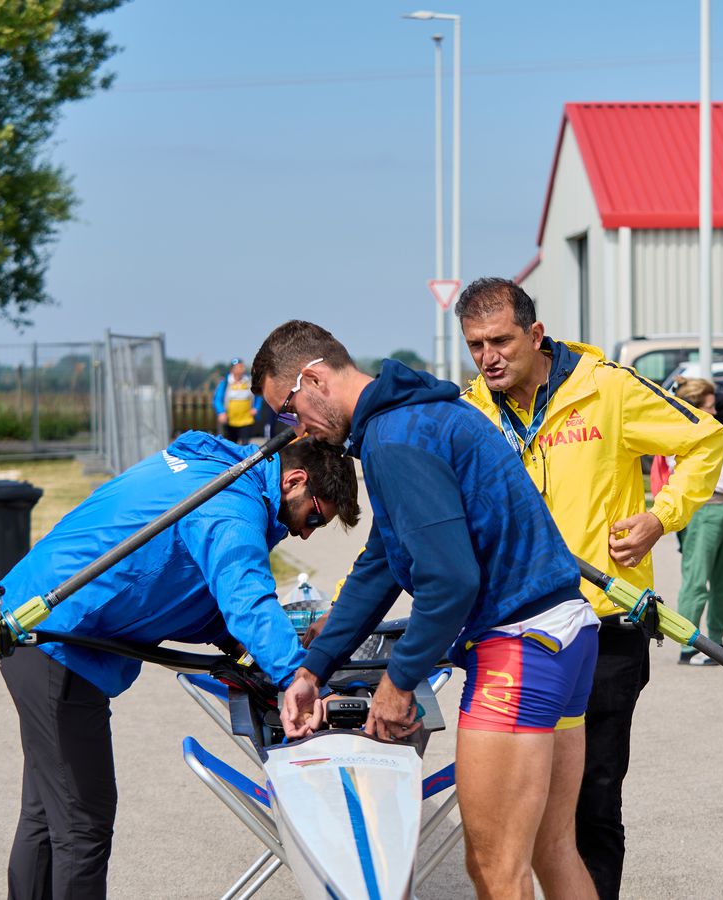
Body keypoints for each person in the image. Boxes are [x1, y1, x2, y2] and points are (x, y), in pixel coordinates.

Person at [251, 321, 600, 899]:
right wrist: (316, 665)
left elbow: (450, 580)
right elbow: (384, 560)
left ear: (313, 378)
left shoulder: (394, 437)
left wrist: (400, 681)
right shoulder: (413, 416)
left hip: (521, 646)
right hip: (564, 634)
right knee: (551, 848)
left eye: (289, 410)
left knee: (495, 867)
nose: (295, 429)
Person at [0, 432, 359, 899]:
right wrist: (298, 678)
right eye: (313, 517)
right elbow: (245, 598)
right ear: (294, 480)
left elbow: (191, 581)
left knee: (47, 815)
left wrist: (246, 647)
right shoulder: (231, 504)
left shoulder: (222, 470)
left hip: (36, 622)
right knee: (83, 824)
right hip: (53, 640)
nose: (307, 533)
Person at [455, 277, 723, 898]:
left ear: (536, 334)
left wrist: (662, 516)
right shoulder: (472, 412)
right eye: (476, 345)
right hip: (514, 633)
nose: (489, 357)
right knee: (522, 816)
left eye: (501, 340)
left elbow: (704, 440)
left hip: (606, 625)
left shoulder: (607, 389)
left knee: (592, 805)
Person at [669, 376, 723, 666]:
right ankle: (688, 645)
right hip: (704, 509)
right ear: (694, 407)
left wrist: (695, 383)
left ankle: (716, 642)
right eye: (709, 406)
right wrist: (682, 395)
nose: (716, 411)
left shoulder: (713, 427)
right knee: (697, 578)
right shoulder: (682, 431)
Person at [215, 356, 263, 442]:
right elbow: (217, 399)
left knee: (245, 443)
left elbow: (258, 395)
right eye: (238, 367)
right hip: (230, 420)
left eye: (242, 366)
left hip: (246, 419)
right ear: (232, 369)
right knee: (231, 444)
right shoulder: (226, 382)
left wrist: (256, 408)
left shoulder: (249, 381)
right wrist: (221, 412)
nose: (241, 369)